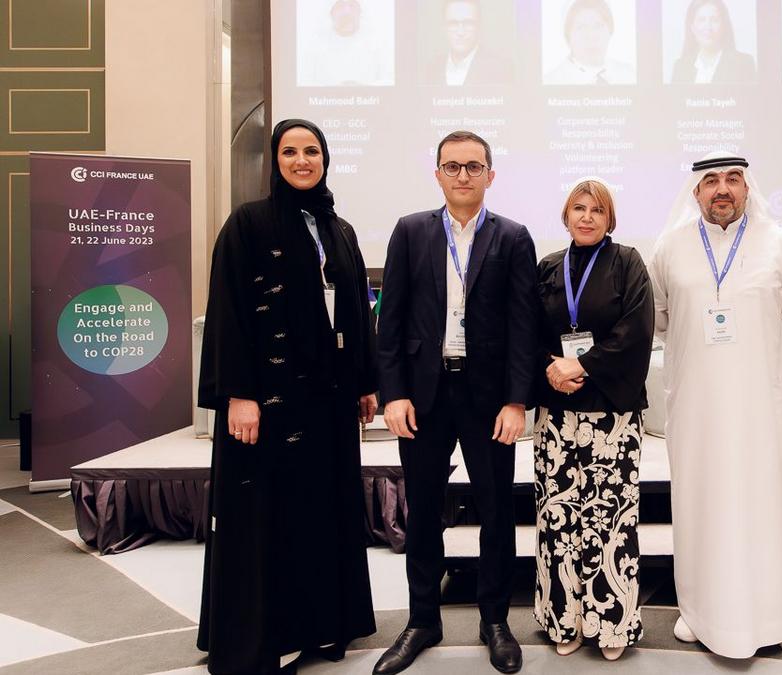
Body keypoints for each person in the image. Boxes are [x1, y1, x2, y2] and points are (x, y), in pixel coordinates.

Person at [197, 118, 378, 675]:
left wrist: (365, 381)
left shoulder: (339, 228)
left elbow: (356, 308)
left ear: (325, 159)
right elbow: (228, 309)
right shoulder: (248, 223)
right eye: (291, 152)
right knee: (267, 516)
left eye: (312, 151)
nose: (303, 161)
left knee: (321, 512)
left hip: (327, 401)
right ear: (275, 161)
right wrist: (238, 395)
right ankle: (266, 637)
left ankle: (321, 625)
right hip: (268, 403)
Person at [373, 130, 537, 675]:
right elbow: (390, 319)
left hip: (488, 399)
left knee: (495, 510)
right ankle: (423, 620)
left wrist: (517, 402)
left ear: (490, 174)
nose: (463, 175)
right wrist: (393, 393)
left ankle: (496, 621)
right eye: (452, 166)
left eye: (473, 166)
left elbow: (523, 327)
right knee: (423, 511)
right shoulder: (410, 231)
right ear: (438, 173)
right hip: (425, 394)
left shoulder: (512, 236)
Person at [648, 152, 782, 660]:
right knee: (700, 499)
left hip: (759, 400)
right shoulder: (670, 247)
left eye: (733, 179)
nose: (722, 189)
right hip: (696, 403)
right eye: (711, 181)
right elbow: (659, 316)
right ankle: (699, 610)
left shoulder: (778, 243)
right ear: (696, 192)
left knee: (767, 499)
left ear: (747, 188)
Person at [530, 178, 654, 662]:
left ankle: (612, 623)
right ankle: (564, 619)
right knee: (558, 519)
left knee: (610, 520)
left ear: (609, 219)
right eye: (578, 208)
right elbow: (528, 331)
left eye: (596, 210)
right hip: (557, 413)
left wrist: (580, 365)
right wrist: (551, 369)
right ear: (566, 216)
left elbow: (636, 330)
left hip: (612, 416)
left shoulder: (628, 263)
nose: (586, 217)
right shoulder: (547, 267)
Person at [422, 0, 514, 86]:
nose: (460, 32)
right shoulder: (432, 69)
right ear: (444, 28)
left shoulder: (500, 69)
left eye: (468, 23)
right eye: (453, 23)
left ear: (479, 26)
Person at [544, 0, 636, 85]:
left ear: (610, 31)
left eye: (598, 25)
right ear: (568, 35)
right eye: (581, 27)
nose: (592, 36)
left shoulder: (629, 74)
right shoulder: (551, 82)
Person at [670, 0, 756, 84]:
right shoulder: (680, 67)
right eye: (701, 20)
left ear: (723, 26)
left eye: (714, 20)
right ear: (692, 27)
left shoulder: (743, 64)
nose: (708, 27)